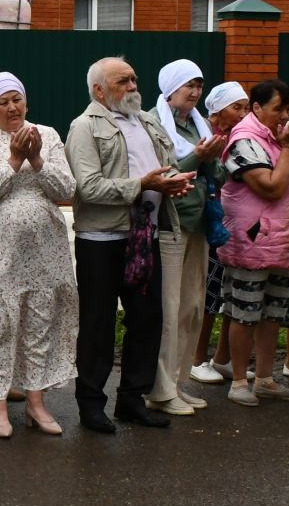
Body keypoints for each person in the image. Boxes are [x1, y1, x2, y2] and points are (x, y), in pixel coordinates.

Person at [66, 57, 194, 431]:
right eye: (123, 81)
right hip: (102, 240)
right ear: (99, 90)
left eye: (135, 79)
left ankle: (131, 400)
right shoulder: (84, 127)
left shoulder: (148, 121)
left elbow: (165, 165)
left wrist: (174, 181)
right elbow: (87, 188)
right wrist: (143, 186)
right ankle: (91, 405)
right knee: (97, 324)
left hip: (146, 235)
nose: (133, 85)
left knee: (147, 319)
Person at [0, 72, 77, 437]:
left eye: (17, 99)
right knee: (1, 320)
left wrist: (38, 160)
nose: (12, 107)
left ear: (26, 102)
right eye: (3, 102)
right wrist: (15, 160)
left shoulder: (46, 135)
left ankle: (35, 402)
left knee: (40, 321)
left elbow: (68, 188)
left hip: (46, 247)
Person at [216, 79, 289, 408]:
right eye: (278, 110)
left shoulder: (283, 138)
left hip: (286, 244)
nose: (285, 116)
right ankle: (240, 381)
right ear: (256, 108)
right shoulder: (243, 140)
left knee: (273, 314)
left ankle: (266, 379)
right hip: (253, 243)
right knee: (245, 314)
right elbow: (271, 188)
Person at [145, 59, 228, 416]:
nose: (195, 92)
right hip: (170, 224)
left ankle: (178, 385)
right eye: (188, 85)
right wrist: (200, 155)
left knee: (193, 307)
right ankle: (160, 390)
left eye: (199, 85)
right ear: (170, 88)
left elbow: (219, 174)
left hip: (199, 225)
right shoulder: (153, 123)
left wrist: (208, 159)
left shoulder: (199, 124)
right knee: (170, 308)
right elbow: (161, 173)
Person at [191, 81, 250, 382]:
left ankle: (222, 356)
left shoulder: (240, 137)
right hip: (211, 220)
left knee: (231, 291)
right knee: (209, 291)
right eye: (236, 107)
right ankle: (197, 358)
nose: (243, 113)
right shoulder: (207, 136)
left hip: (235, 222)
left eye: (245, 107)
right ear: (217, 111)